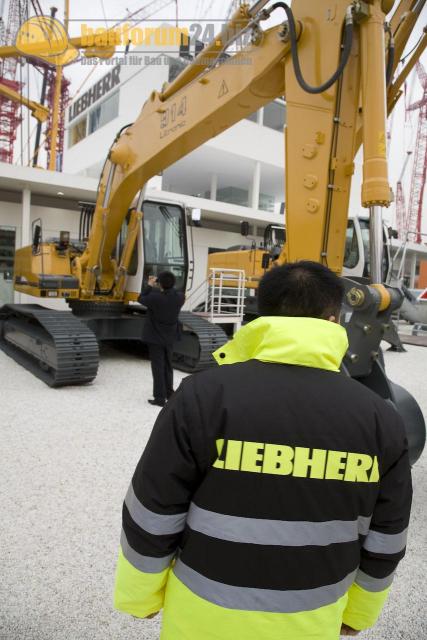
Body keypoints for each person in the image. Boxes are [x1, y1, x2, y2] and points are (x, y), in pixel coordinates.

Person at [115, 261, 412, 640]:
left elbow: (153, 509)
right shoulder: (380, 419)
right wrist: (359, 613)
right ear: (334, 319)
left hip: (202, 619)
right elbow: (388, 534)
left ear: (263, 312)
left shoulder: (203, 396)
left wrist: (139, 598)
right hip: (313, 621)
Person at [139, 271, 185, 407]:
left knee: (157, 367)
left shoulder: (154, 298)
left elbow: (140, 298)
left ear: (160, 284)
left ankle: (159, 398)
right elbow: (174, 292)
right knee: (168, 365)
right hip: (170, 337)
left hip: (155, 338)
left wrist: (149, 285)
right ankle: (169, 393)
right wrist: (163, 285)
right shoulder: (180, 298)